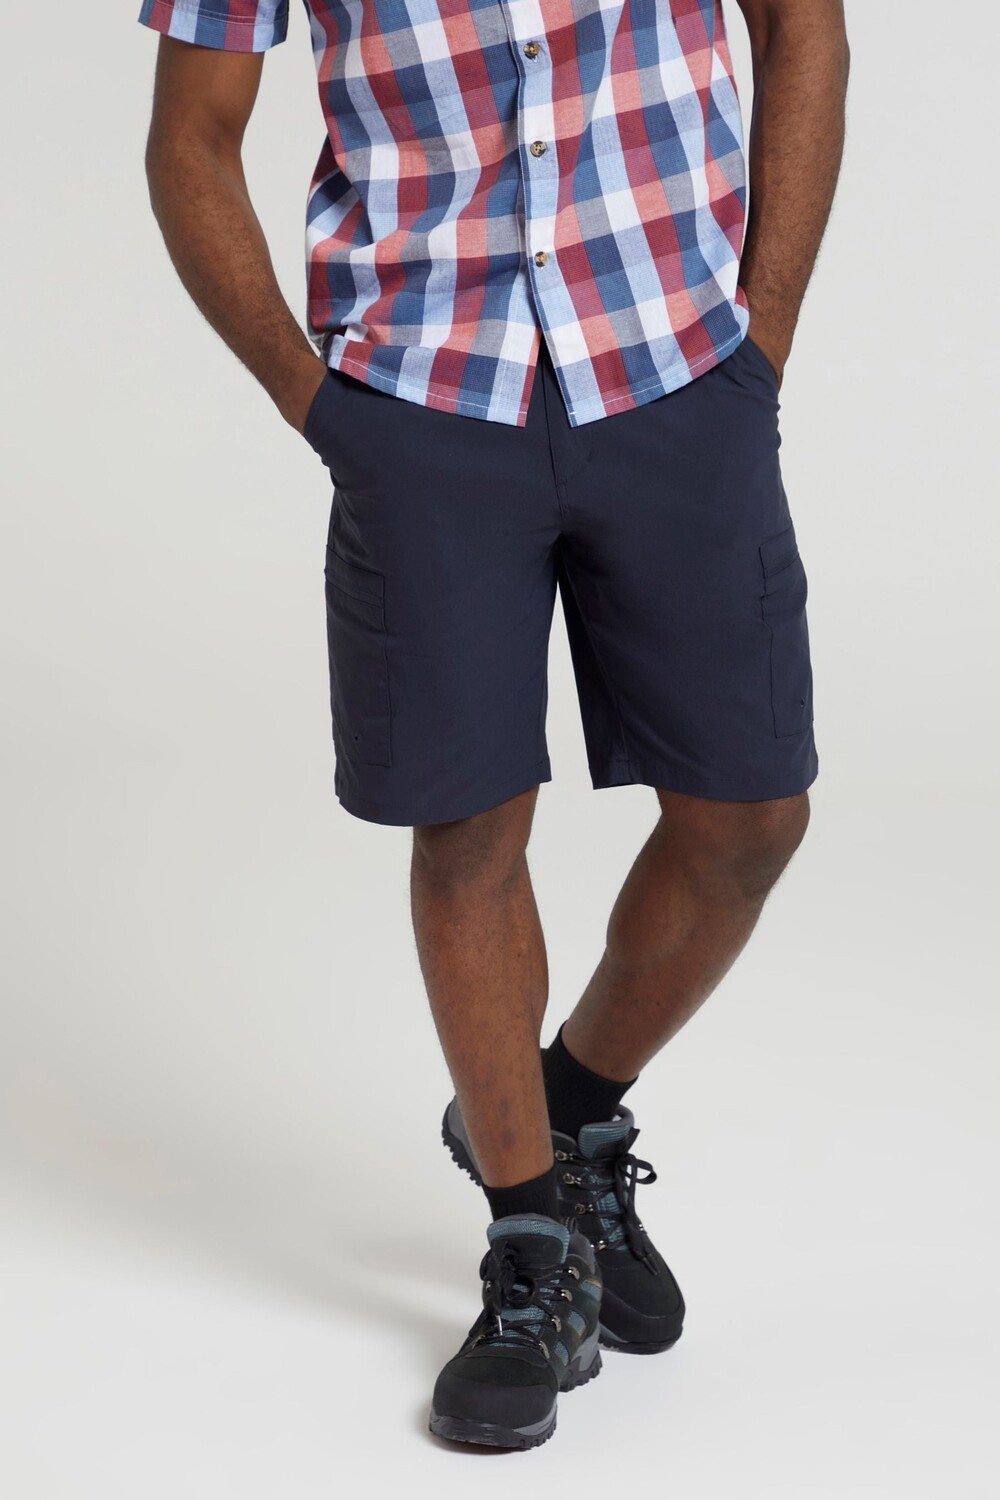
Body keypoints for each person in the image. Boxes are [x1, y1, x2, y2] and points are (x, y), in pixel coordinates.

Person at [138, 0, 849, 1450]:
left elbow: (806, 29)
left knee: (751, 816)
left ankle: (563, 1104)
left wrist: (761, 336)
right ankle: (530, 1244)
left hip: (676, 367)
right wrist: (321, 406)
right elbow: (191, 139)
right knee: (468, 827)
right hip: (423, 393)